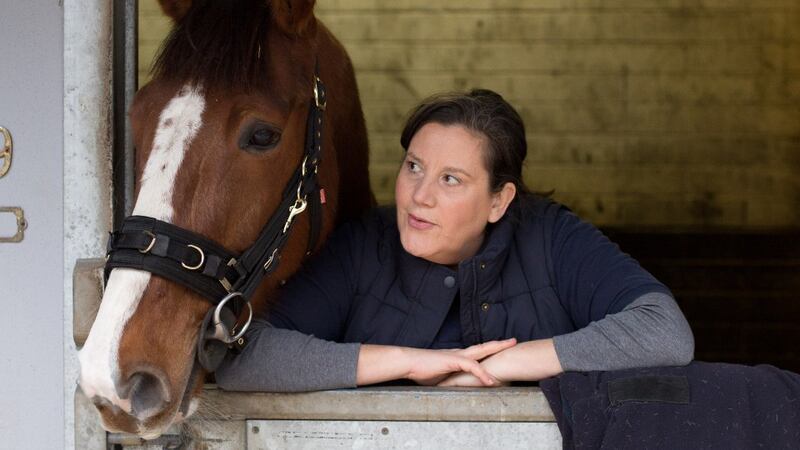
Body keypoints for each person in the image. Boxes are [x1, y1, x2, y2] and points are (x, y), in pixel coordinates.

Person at [215, 89, 695, 392]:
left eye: (451, 180)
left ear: (499, 201)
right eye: (414, 167)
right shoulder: (364, 245)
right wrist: (406, 363)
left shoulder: (549, 235)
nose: (418, 197)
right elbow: (241, 356)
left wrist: (505, 365)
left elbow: (664, 332)